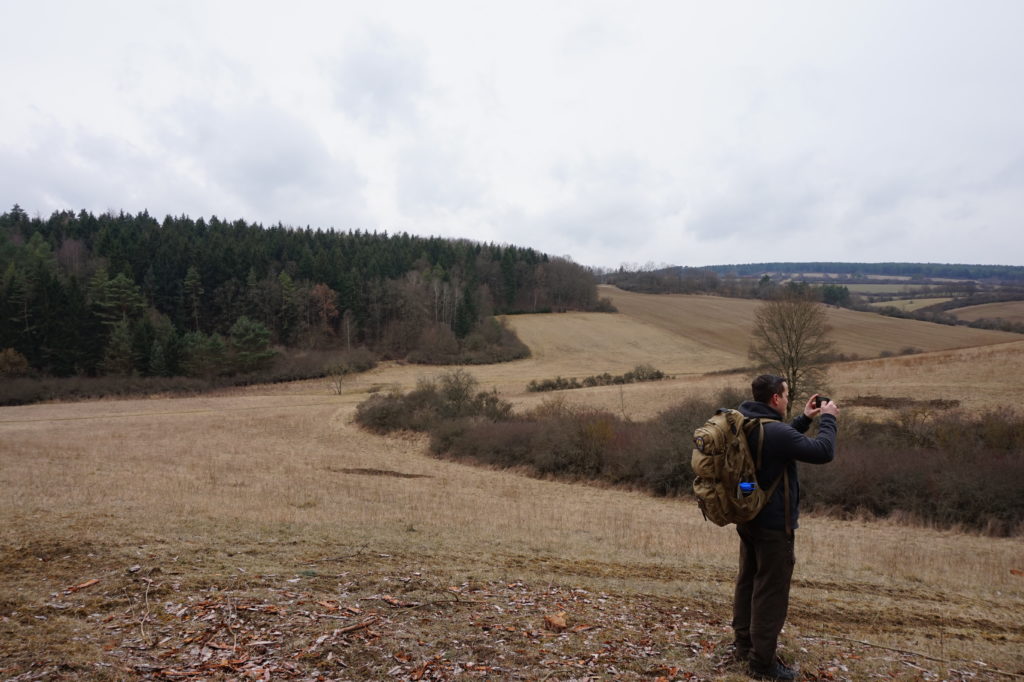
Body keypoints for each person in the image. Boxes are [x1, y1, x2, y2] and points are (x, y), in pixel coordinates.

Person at [732, 374, 838, 680]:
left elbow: (776, 442)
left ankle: (743, 646)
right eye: (786, 394)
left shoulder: (747, 421)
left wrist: (804, 419)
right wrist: (828, 419)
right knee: (771, 591)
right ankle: (762, 664)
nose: (788, 399)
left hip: (749, 517)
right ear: (776, 399)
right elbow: (823, 452)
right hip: (775, 526)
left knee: (748, 582)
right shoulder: (774, 430)